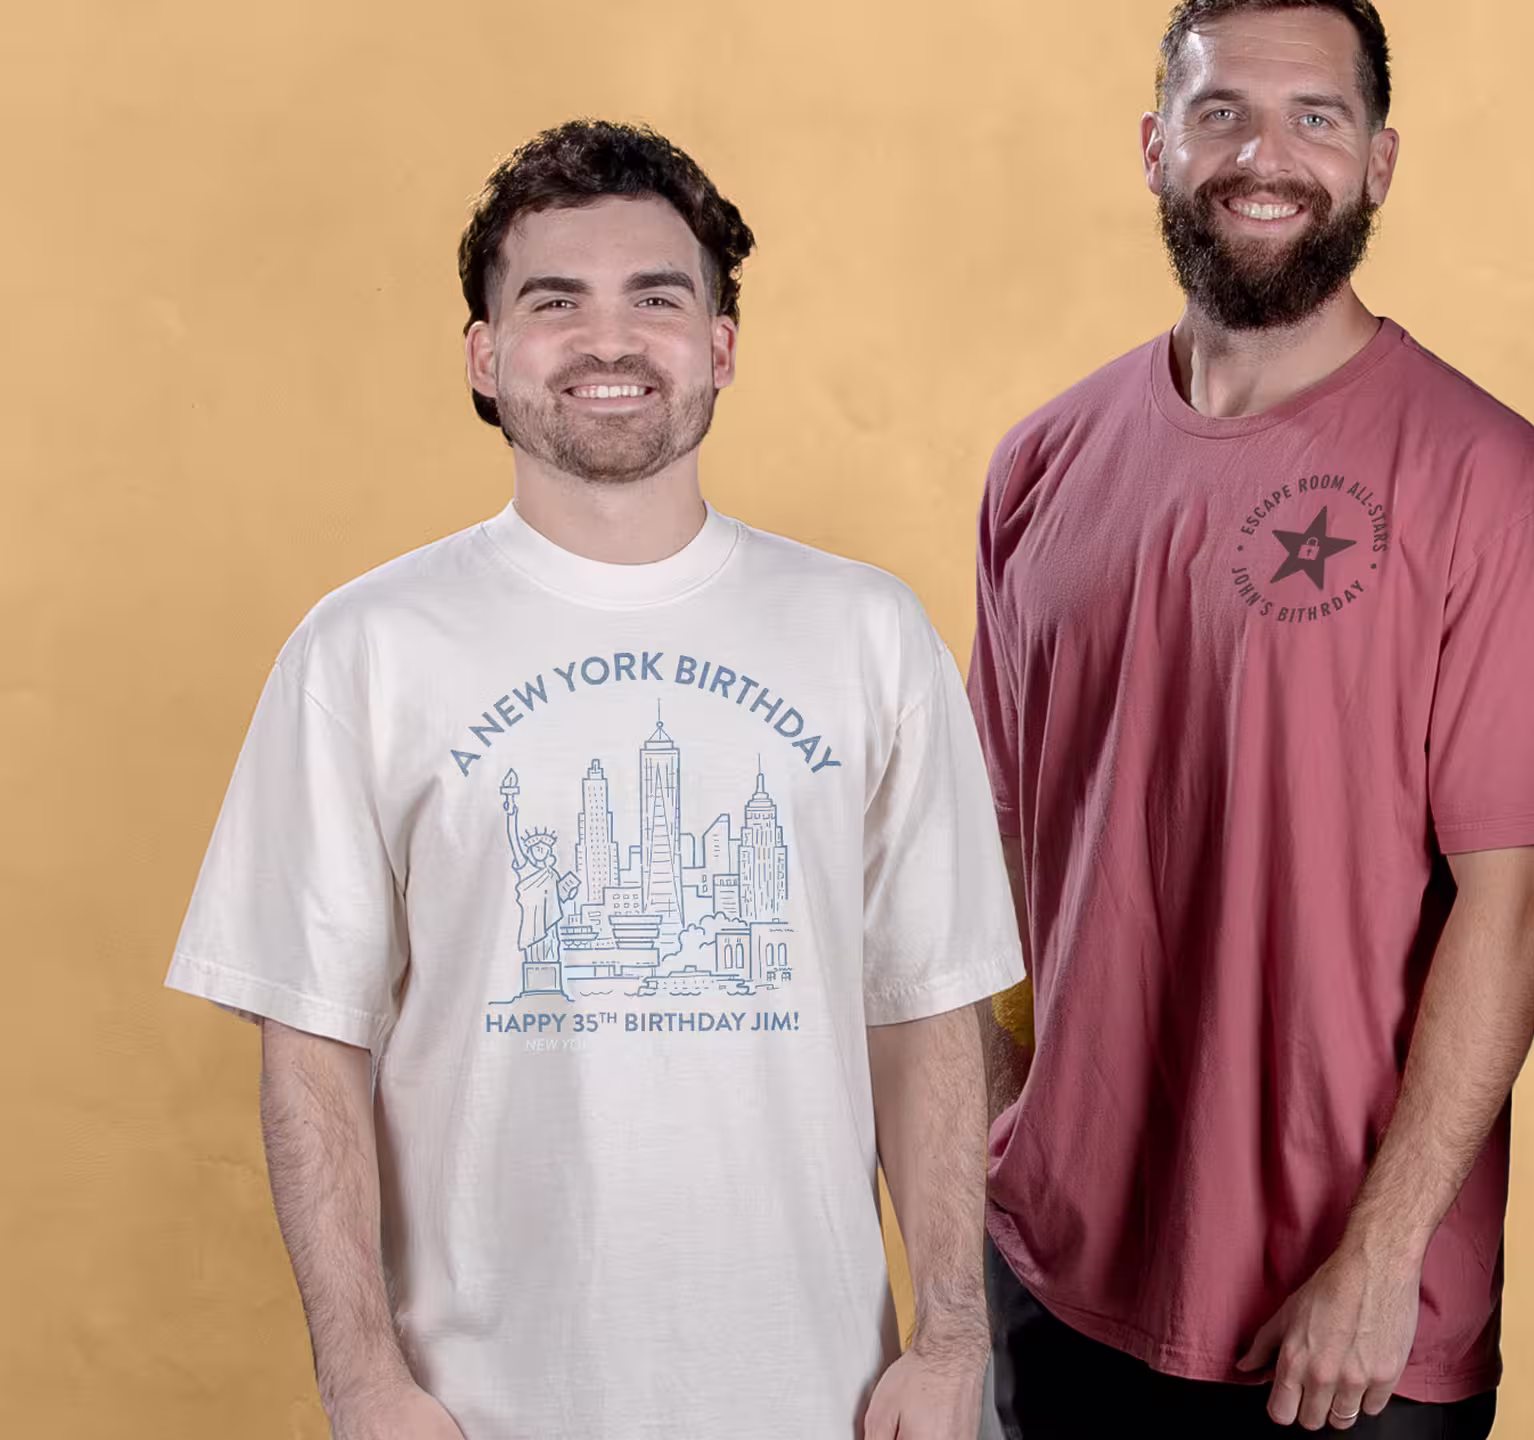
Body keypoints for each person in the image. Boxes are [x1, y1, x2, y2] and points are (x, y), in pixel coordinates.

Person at [166, 120, 1020, 1440]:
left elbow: (926, 1014)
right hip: (478, 1412)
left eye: (657, 299)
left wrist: (952, 1337)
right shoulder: (367, 649)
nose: (608, 342)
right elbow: (312, 1048)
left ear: (720, 347)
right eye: (554, 301)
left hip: (819, 1401)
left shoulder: (866, 632)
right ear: (485, 352)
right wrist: (361, 1379)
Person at [966, 2, 1534, 1435]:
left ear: (1380, 161)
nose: (1267, 156)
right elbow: (997, 861)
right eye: (1223, 114)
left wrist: (1383, 1254)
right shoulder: (1041, 465)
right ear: (1155, 147)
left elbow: (1514, 907)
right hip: (1059, 1278)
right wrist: (1000, 1157)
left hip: (1345, 1331)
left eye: (1316, 117)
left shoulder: (1484, 477)